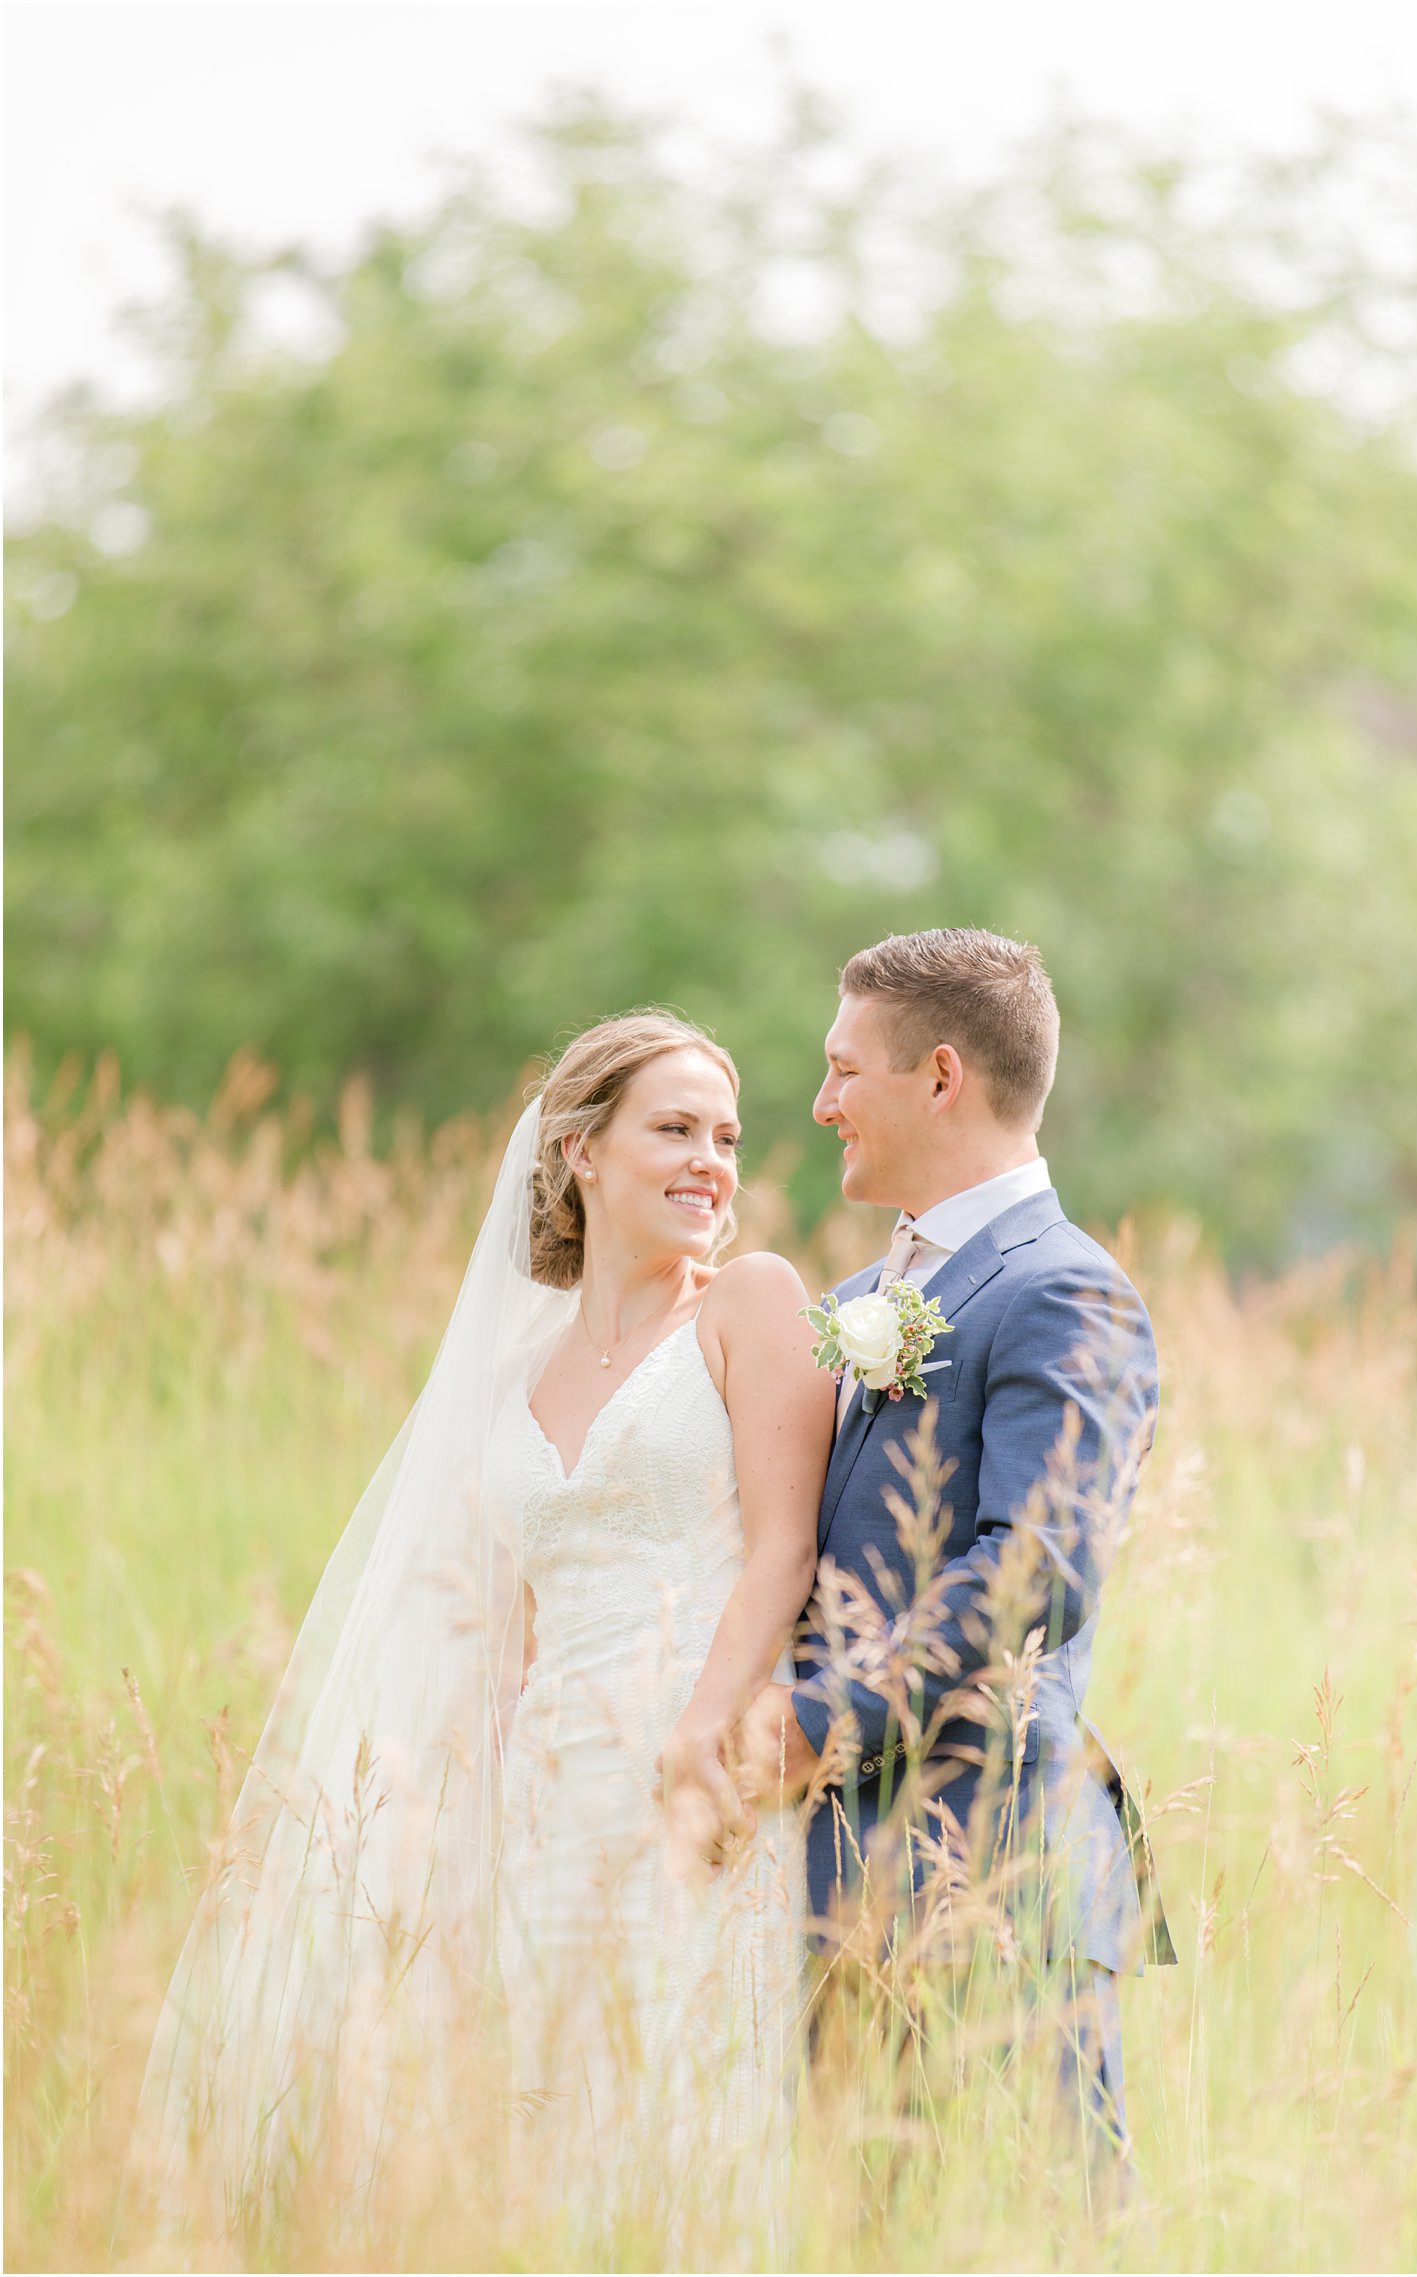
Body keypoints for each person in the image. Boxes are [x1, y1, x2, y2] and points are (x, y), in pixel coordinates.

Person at [133, 1011, 832, 2255]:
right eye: (671, 1129)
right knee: (560, 2106)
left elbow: (782, 1547)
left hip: (699, 1764)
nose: (708, 1162)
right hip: (549, 1791)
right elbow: (500, 1627)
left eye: (724, 1136)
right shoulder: (513, 1375)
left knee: (691, 2095)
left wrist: (700, 1738)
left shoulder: (750, 1305)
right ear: (577, 1149)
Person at [734, 927, 1175, 2155]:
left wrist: (820, 1720)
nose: (820, 1105)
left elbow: (1036, 1570)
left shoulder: (1063, 1289)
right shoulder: (854, 1304)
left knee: (1034, 2226)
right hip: (842, 1872)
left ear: (939, 1076)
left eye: (841, 1071)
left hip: (993, 1866)